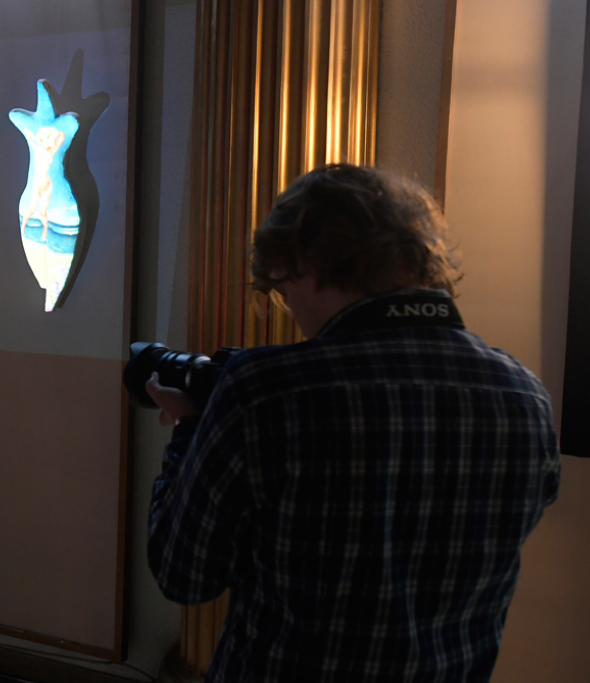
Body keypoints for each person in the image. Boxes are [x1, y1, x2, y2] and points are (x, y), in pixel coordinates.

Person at [146, 164, 561, 682]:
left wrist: (189, 432)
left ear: (305, 264)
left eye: (281, 289)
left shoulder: (267, 391)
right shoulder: (525, 396)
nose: (291, 311)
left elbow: (182, 573)